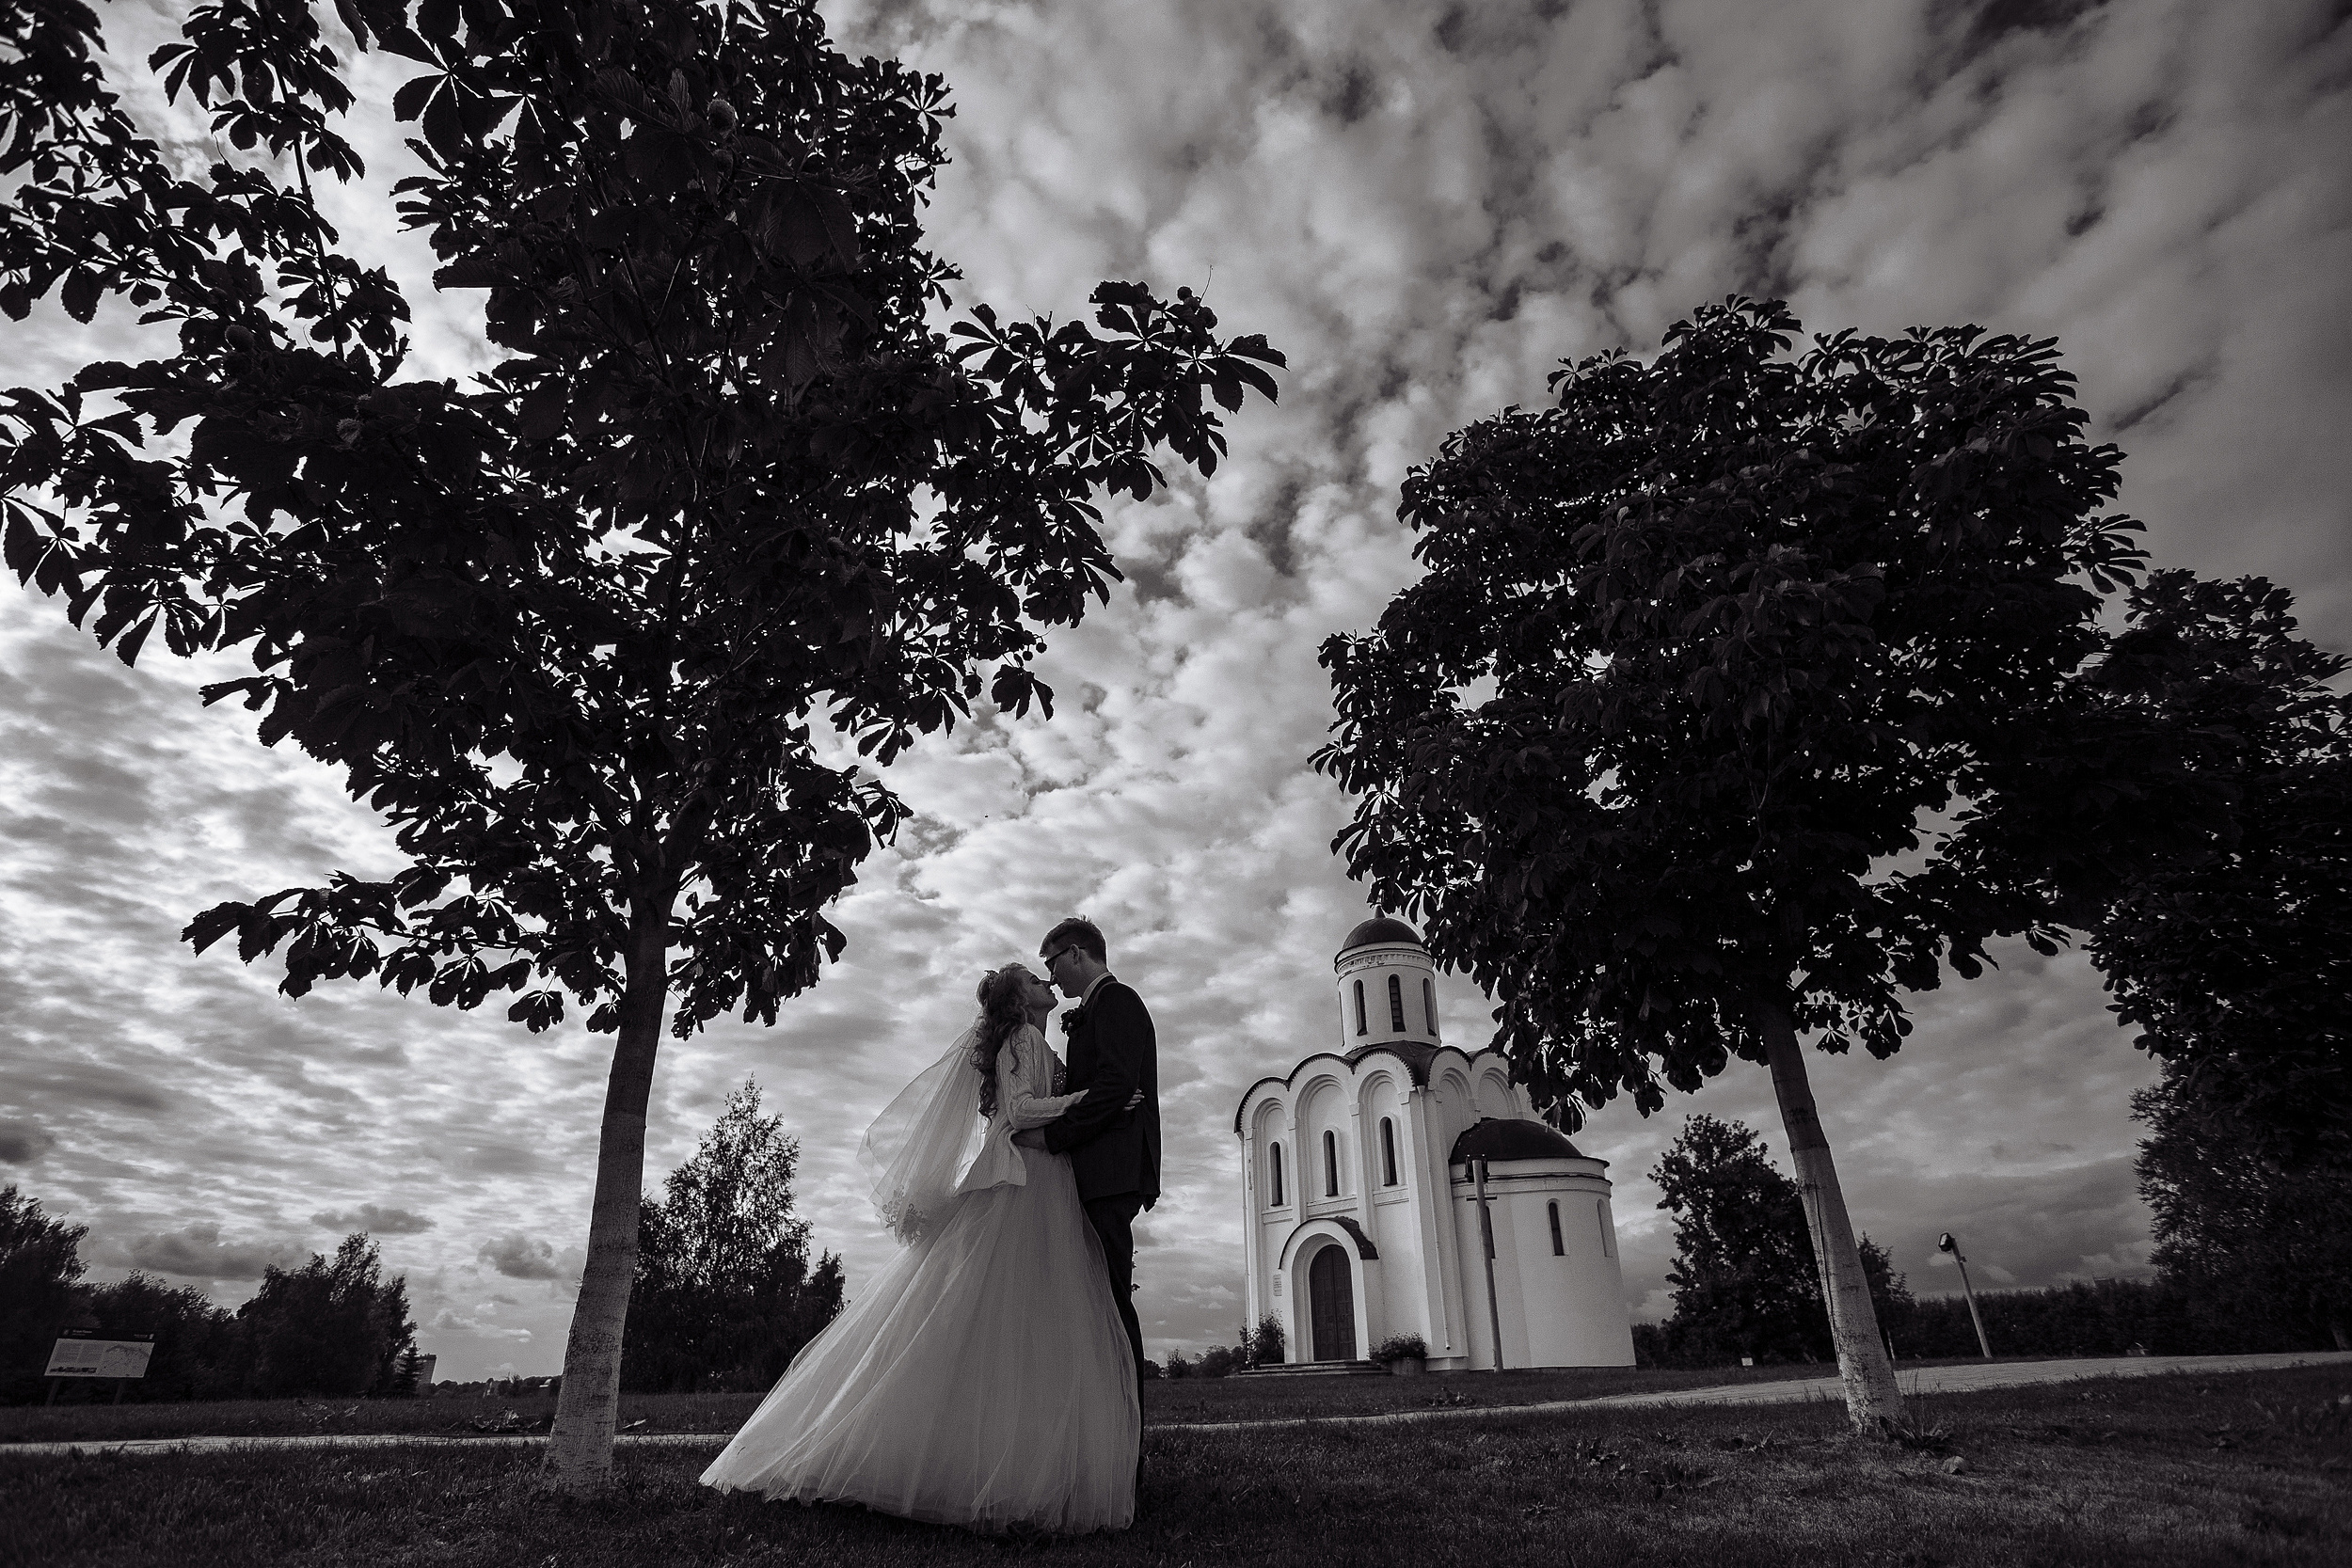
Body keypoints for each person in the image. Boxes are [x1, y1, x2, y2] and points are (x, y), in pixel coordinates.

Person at [699, 963, 1141, 1534]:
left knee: (1004, 1318)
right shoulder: (1025, 1036)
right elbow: (1019, 1111)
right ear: (1018, 999)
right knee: (1015, 1313)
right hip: (1027, 1183)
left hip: (1045, 1179)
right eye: (1035, 980)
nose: (1047, 984)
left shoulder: (1034, 1039)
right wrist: (1086, 1100)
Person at [1030, 915, 1160, 1386]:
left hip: (1111, 1172)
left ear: (1077, 954)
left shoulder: (1118, 1000)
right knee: (1095, 1301)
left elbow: (1114, 1085)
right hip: (1097, 1171)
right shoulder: (1096, 1006)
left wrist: (1051, 1138)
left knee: (1110, 1302)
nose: (1051, 975)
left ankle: (1126, 1435)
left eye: (1052, 961)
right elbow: (1102, 1088)